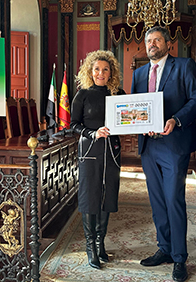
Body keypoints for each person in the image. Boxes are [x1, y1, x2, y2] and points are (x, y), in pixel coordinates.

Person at [131, 26, 196, 282]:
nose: (152, 44)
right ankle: (164, 248)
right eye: (148, 40)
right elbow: (135, 108)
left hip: (174, 144)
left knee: (173, 199)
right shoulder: (139, 73)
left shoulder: (184, 66)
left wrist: (175, 120)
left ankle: (180, 257)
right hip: (149, 146)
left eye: (157, 40)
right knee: (157, 200)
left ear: (168, 44)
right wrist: (138, 124)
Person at [71, 50, 125, 269]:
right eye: (96, 69)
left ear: (111, 72)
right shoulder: (82, 95)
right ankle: (90, 246)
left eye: (105, 69)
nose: (100, 73)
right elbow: (73, 124)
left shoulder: (118, 93)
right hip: (90, 149)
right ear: (89, 71)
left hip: (112, 150)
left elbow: (129, 118)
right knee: (89, 195)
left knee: (108, 194)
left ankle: (101, 243)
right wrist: (92, 133)